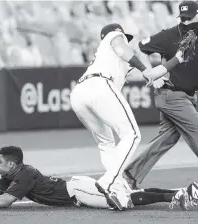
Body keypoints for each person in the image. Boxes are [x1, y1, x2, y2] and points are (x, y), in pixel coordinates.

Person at [123, 1, 198, 195]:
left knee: (166, 139)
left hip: (188, 96)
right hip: (171, 95)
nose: (185, 22)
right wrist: (151, 74)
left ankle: (129, 176)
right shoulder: (169, 35)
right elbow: (139, 48)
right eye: (182, 18)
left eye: (188, 18)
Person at [69, 23, 186, 210]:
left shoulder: (112, 59)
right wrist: (147, 68)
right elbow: (121, 47)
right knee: (132, 135)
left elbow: (141, 64)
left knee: (106, 143)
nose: (126, 39)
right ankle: (108, 182)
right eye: (124, 36)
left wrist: (156, 73)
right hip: (99, 85)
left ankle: (114, 186)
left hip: (78, 95)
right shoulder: (113, 37)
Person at [0, 146, 198, 211]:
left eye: (0, 162)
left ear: (11, 163)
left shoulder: (23, 174)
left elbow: (6, 201)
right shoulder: (15, 173)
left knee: (123, 203)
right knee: (125, 196)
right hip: (78, 188)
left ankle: (177, 195)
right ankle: (182, 192)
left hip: (78, 192)